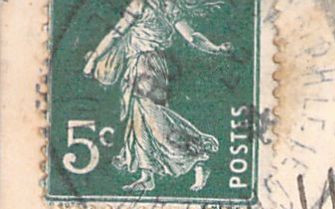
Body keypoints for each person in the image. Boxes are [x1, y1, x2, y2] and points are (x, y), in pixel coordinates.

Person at [82, 0, 233, 192]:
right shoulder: (166, 6)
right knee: (139, 118)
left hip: (147, 66)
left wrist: (94, 60)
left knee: (153, 117)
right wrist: (215, 48)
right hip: (146, 65)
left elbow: (115, 35)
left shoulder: (147, 5)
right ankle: (147, 175)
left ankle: (199, 156)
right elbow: (193, 38)